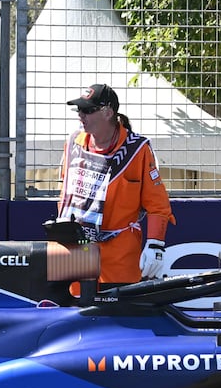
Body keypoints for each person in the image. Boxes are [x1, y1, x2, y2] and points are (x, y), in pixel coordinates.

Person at [55, 83, 175, 285]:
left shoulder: (137, 149)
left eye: (87, 110)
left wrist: (155, 244)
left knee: (119, 313)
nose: (80, 116)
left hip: (120, 251)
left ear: (108, 112)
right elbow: (64, 194)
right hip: (75, 246)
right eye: (79, 110)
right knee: (70, 311)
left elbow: (158, 205)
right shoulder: (73, 142)